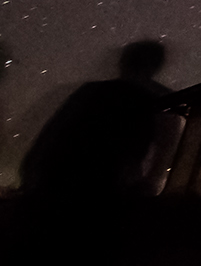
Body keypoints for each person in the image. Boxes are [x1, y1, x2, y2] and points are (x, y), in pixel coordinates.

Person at [15, 40, 171, 262]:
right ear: (156, 66)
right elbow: (162, 148)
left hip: (60, 186)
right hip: (106, 196)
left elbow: (51, 134)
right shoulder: (157, 102)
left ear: (124, 62)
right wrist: (146, 186)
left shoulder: (91, 92)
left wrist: (32, 175)